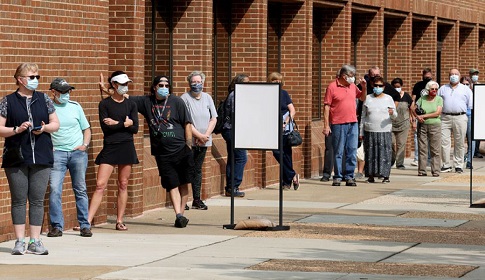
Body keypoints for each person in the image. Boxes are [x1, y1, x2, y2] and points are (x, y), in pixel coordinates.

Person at [0, 63, 60, 255]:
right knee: (19, 199)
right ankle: (19, 241)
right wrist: (16, 130)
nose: (35, 80)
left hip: (41, 156)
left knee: (36, 199)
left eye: (37, 77)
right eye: (31, 77)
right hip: (16, 157)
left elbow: (55, 124)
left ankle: (35, 240)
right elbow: (0, 129)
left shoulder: (44, 99)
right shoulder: (7, 101)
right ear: (20, 79)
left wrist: (43, 128)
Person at [130, 75, 194, 228]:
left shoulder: (177, 102)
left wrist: (189, 146)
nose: (164, 88)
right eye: (161, 85)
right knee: (171, 183)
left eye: (167, 85)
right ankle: (178, 214)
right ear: (154, 87)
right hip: (162, 152)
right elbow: (125, 98)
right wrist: (108, 90)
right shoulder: (147, 102)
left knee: (184, 183)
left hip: (181, 149)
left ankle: (181, 215)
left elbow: (187, 124)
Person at [88, 71, 139, 231]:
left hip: (127, 146)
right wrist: (124, 124)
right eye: (122, 84)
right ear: (114, 85)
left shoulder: (131, 104)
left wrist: (118, 124)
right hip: (110, 146)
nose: (125, 87)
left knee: (123, 184)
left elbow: (135, 128)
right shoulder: (105, 104)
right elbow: (106, 128)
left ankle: (119, 220)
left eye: (127, 84)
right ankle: (87, 221)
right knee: (100, 184)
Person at [48, 78, 93, 238]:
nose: (67, 94)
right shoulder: (49, 108)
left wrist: (84, 145)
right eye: (63, 91)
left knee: (80, 189)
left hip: (77, 153)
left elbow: (86, 129)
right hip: (57, 154)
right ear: (53, 92)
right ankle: (56, 226)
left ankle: (85, 225)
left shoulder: (75, 107)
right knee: (54, 189)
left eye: (68, 91)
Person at [323, 64, 366, 187]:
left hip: (353, 122)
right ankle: (337, 176)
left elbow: (362, 98)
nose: (353, 78)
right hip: (338, 123)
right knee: (339, 151)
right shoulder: (332, 87)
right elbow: (326, 106)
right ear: (344, 76)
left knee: (352, 150)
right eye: (351, 76)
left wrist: (364, 87)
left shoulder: (352, 86)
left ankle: (349, 176)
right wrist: (326, 125)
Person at [181, 71, 217, 210]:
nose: (197, 84)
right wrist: (198, 136)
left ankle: (197, 199)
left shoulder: (207, 97)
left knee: (197, 169)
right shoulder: (185, 98)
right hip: (190, 140)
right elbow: (186, 121)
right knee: (186, 168)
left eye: (199, 81)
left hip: (204, 141)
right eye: (194, 82)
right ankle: (183, 200)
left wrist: (206, 135)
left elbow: (213, 118)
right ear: (189, 83)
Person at [360, 77, 397, 183]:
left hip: (384, 130)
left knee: (385, 153)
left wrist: (392, 113)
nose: (377, 87)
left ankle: (385, 175)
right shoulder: (368, 98)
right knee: (371, 154)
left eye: (380, 86)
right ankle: (371, 175)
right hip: (370, 130)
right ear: (372, 86)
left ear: (384, 87)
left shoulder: (388, 98)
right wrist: (361, 131)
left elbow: (395, 115)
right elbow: (363, 116)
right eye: (376, 85)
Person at [268, 72, 300, 190]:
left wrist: (285, 122)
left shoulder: (284, 94)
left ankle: (286, 182)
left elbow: (292, 110)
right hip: (271, 127)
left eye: (279, 81)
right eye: (274, 80)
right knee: (277, 152)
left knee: (287, 154)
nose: (277, 83)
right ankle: (292, 175)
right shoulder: (266, 94)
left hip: (284, 128)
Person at [438, 69, 473, 174]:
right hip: (445, 117)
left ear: (460, 76)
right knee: (444, 142)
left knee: (459, 142)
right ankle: (446, 164)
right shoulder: (443, 88)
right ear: (448, 76)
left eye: (456, 74)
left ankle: (458, 165)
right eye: (452, 74)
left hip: (460, 117)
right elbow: (438, 102)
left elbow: (470, 105)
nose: (454, 76)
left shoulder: (465, 89)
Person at [222, 74, 250, 197]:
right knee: (241, 158)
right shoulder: (236, 95)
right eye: (245, 83)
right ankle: (234, 186)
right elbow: (236, 114)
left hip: (231, 130)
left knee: (233, 158)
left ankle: (230, 187)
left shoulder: (235, 94)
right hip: (233, 130)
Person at [414, 81, 443, 177]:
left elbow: (437, 113)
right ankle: (422, 170)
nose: (434, 90)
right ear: (428, 90)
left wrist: (424, 115)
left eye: (436, 89)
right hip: (422, 125)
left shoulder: (439, 99)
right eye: (432, 89)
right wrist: (417, 117)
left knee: (435, 149)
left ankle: (435, 171)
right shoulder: (422, 99)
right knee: (422, 149)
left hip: (435, 125)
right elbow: (412, 108)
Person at [411, 68, 433, 166]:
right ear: (422, 75)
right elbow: (413, 100)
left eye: (429, 76)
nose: (427, 77)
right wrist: (412, 115)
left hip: (431, 114)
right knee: (418, 137)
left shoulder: (434, 86)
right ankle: (417, 158)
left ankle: (428, 159)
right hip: (419, 113)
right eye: (425, 76)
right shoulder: (418, 85)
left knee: (430, 138)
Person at [390, 78, 413, 169]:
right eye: (395, 87)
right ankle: (391, 160)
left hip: (404, 123)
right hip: (391, 123)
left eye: (398, 87)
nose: (397, 88)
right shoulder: (389, 96)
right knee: (391, 143)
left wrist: (413, 119)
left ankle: (399, 163)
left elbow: (411, 107)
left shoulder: (406, 96)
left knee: (401, 144)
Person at [461, 76, 474, 169]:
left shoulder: (473, 93)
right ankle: (460, 160)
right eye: (463, 84)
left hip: (470, 116)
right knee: (460, 140)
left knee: (471, 140)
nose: (465, 86)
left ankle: (469, 160)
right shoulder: (458, 93)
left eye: (467, 84)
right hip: (461, 116)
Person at [469, 68, 482, 158]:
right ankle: (470, 151)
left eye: (476, 74)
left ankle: (476, 150)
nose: (475, 76)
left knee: (478, 131)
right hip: (469, 110)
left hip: (478, 110)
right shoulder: (466, 86)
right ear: (470, 75)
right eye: (473, 74)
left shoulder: (480, 85)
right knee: (469, 132)